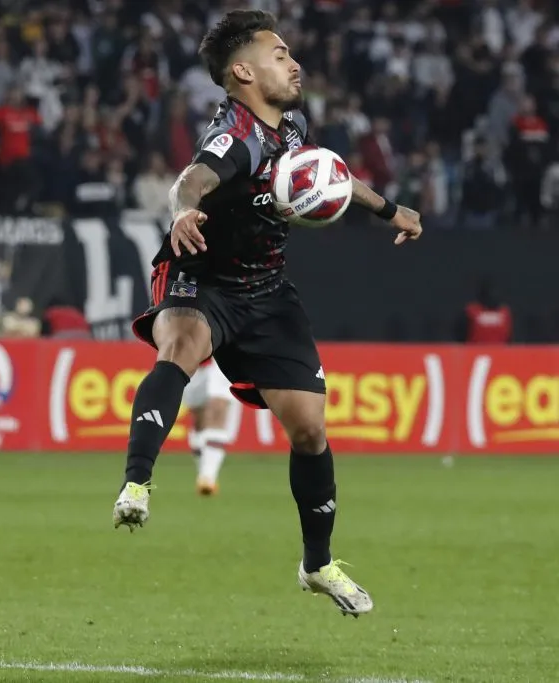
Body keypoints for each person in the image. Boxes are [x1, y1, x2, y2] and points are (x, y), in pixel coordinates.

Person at [111, 11, 422, 618]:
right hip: (200, 274)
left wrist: (391, 210)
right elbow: (192, 180)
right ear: (243, 70)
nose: (294, 61)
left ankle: (317, 565)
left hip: (267, 291)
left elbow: (331, 176)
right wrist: (180, 211)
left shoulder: (293, 126)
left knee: (309, 429)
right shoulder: (235, 134)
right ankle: (136, 483)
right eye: (279, 53)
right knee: (181, 346)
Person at [182, 359, 240, 496]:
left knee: (217, 407)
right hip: (194, 356)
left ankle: (208, 477)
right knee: (199, 418)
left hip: (223, 352)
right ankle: (203, 469)